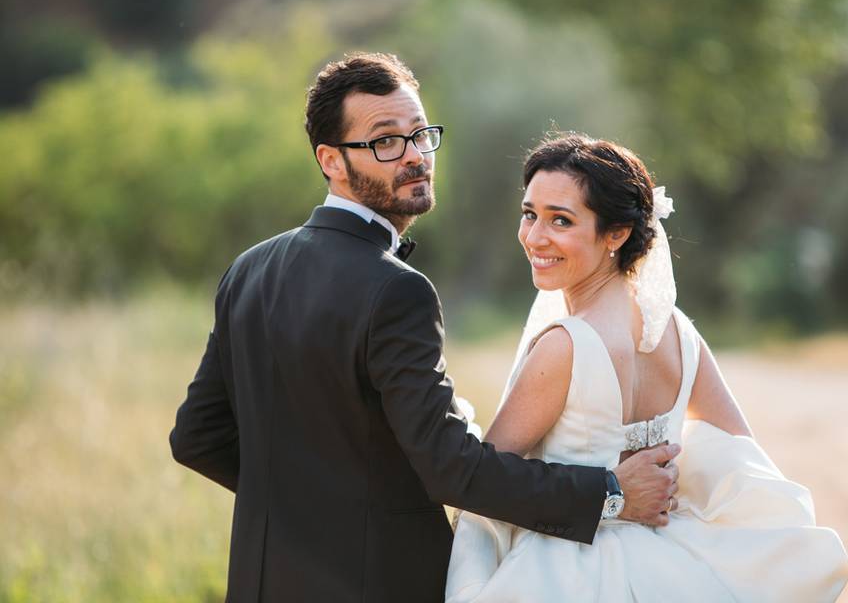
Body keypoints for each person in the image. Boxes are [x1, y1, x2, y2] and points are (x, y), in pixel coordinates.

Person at [169, 54, 684, 603]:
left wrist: (301, 503)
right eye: (385, 141)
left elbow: (197, 439)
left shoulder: (249, 269)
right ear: (331, 160)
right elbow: (451, 470)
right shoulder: (397, 289)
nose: (415, 156)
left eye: (420, 134)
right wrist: (610, 495)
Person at [445, 133, 848, 602]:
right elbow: (742, 457)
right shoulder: (678, 332)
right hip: (671, 567)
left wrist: (612, 497)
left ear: (616, 234)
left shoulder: (565, 346)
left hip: (565, 574)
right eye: (529, 214)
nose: (536, 237)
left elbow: (485, 483)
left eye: (561, 220)